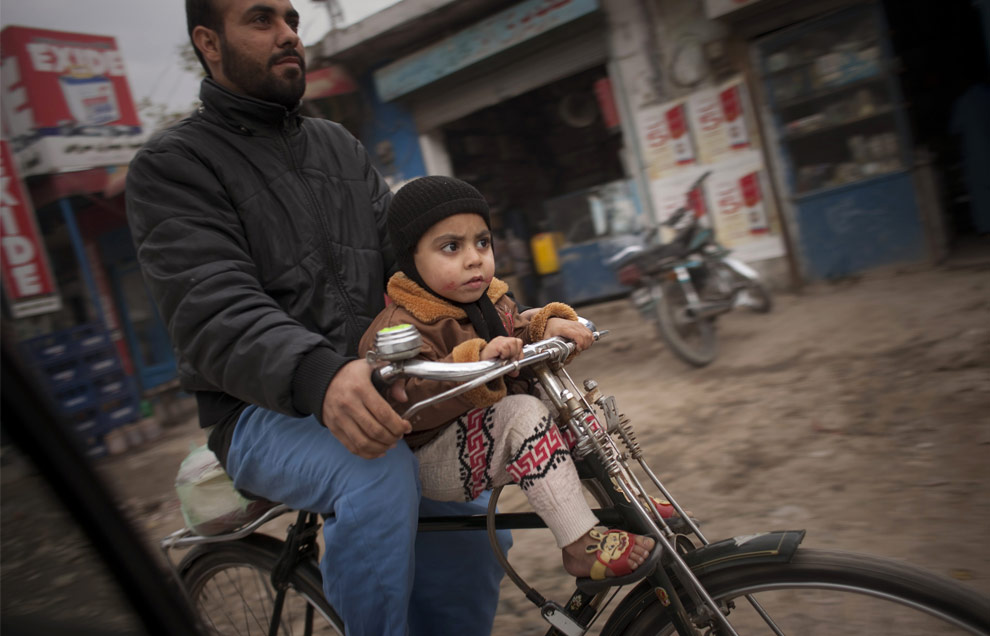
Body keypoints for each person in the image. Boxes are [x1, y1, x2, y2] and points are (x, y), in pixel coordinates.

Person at [125, 1, 510, 633]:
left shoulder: (338, 146)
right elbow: (212, 307)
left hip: (379, 385)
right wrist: (318, 374)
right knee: (377, 470)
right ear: (209, 42)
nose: (287, 35)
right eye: (261, 20)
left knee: (472, 504)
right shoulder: (175, 165)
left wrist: (509, 321)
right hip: (258, 411)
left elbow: (412, 269)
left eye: (292, 20)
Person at [358, 176, 660, 582]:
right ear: (410, 257)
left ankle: (627, 499)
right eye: (451, 247)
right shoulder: (399, 327)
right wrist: (474, 360)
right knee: (523, 413)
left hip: (483, 435)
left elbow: (516, 328)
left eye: (482, 242)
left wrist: (545, 325)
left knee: (567, 402)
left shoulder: (492, 300)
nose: (474, 259)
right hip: (431, 456)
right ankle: (577, 544)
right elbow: (400, 401)